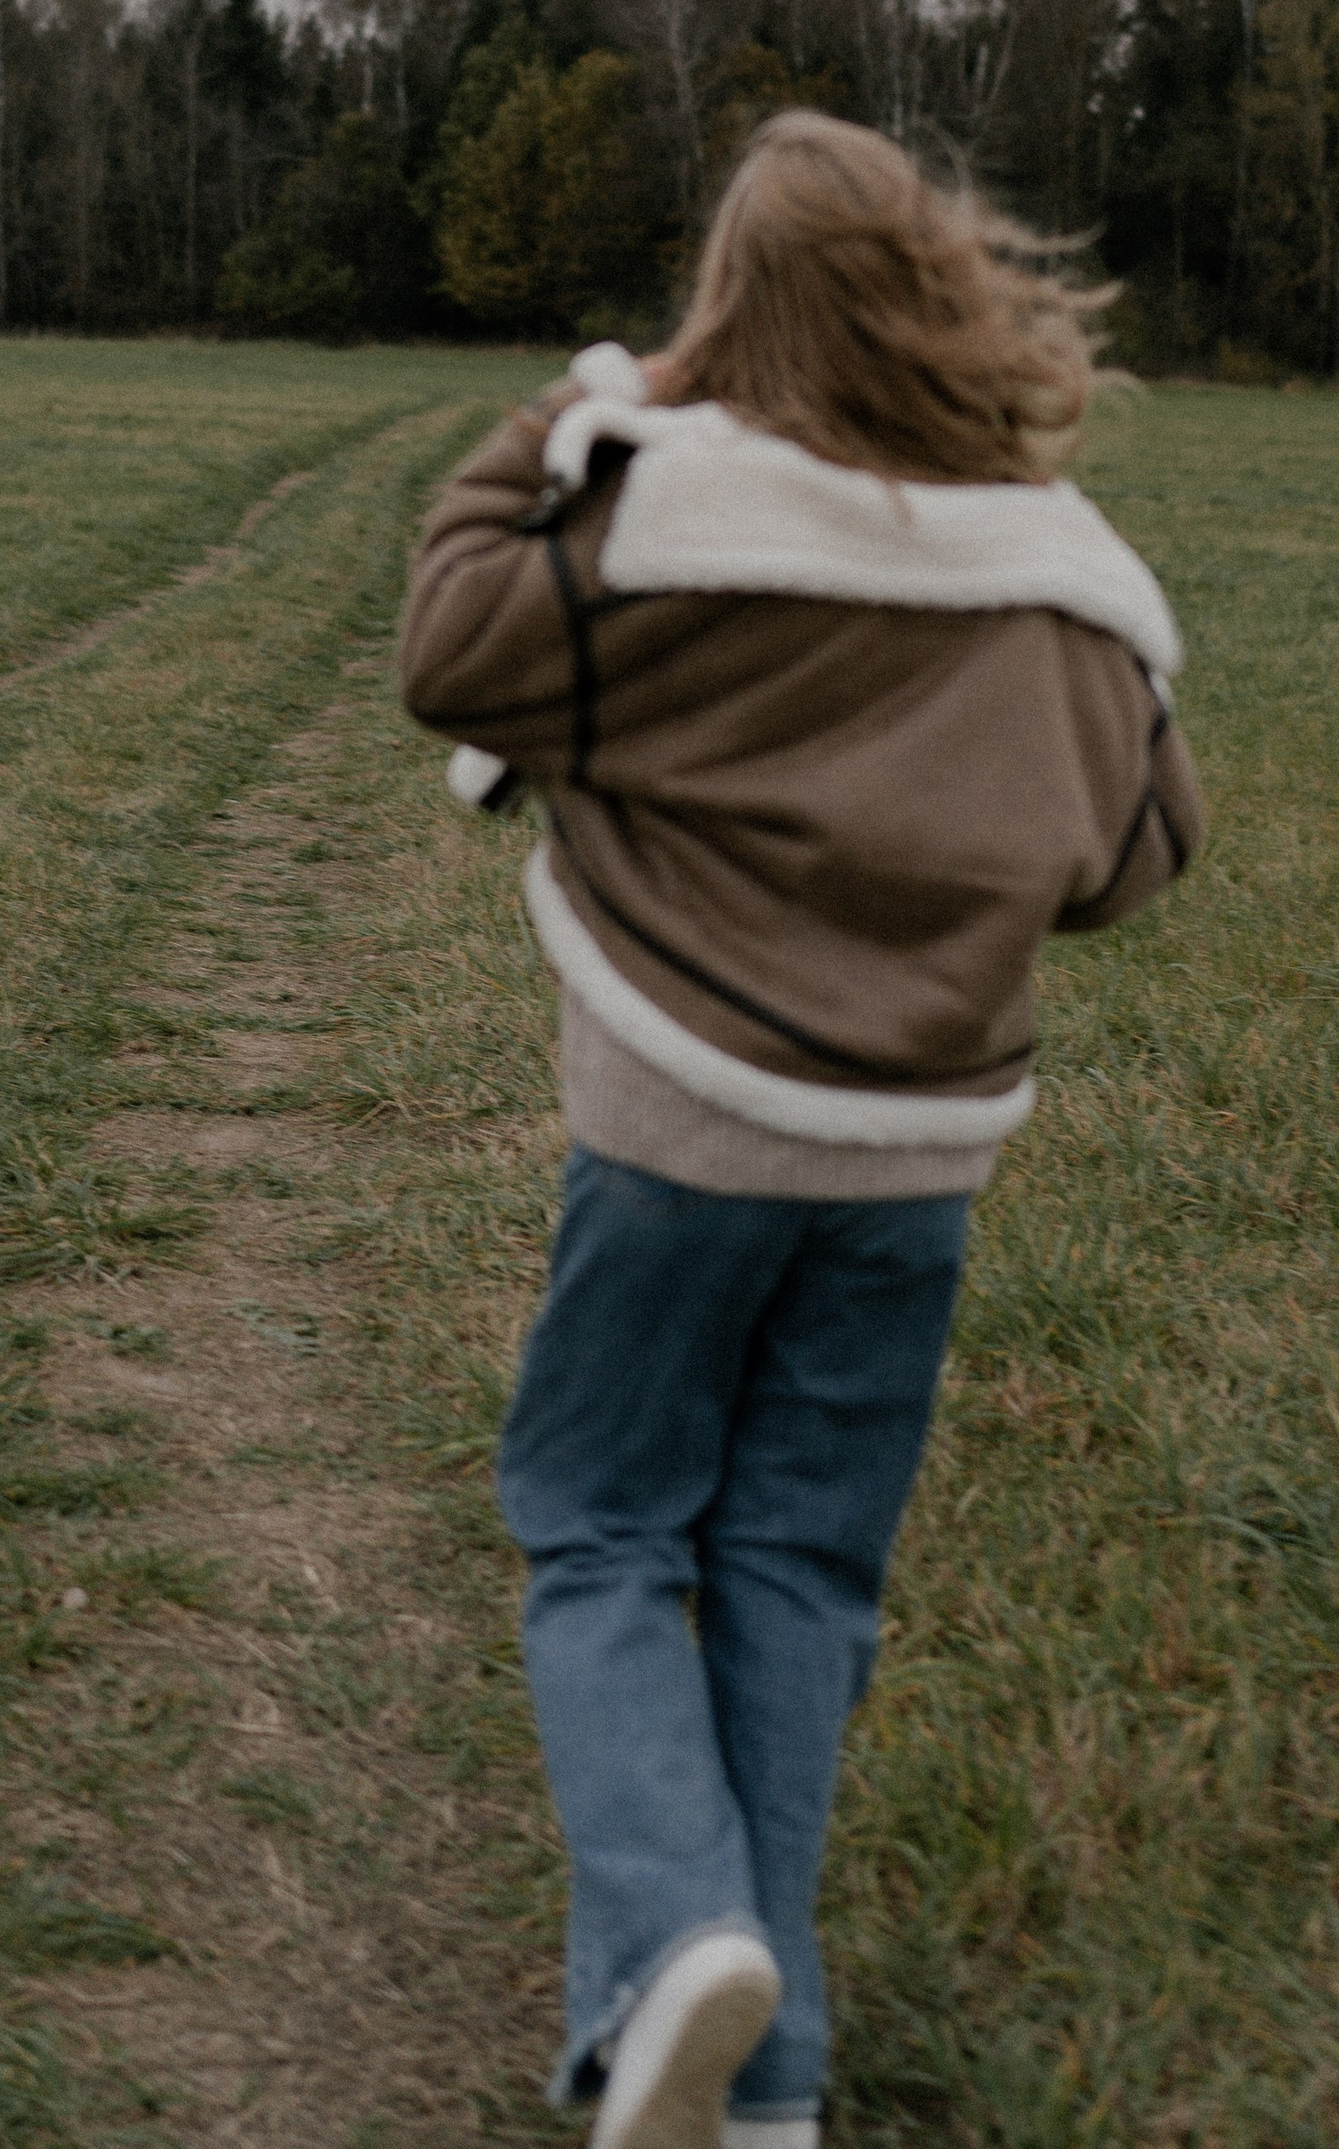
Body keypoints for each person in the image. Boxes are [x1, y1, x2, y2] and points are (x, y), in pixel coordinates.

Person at [399, 112, 1205, 2149]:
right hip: (918, 1160)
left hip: (683, 1121)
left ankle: (674, 1940)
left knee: (595, 1525)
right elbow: (1131, 857)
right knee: (796, 1572)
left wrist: (589, 404)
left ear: (722, 305)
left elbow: (451, 642)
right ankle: (767, 2085)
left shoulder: (666, 515)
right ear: (940, 296)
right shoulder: (1065, 578)